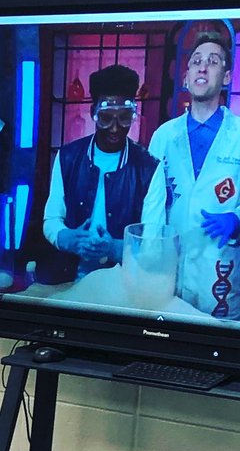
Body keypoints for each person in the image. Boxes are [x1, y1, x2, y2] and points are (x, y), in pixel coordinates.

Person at [141, 31, 240, 318]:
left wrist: (236, 221)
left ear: (225, 77)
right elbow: (153, 207)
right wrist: (149, 254)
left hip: (222, 275)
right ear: (186, 77)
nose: (202, 66)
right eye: (196, 61)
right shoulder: (164, 136)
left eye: (213, 61)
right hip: (169, 277)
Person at [37, 63, 157, 284]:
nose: (114, 127)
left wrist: (113, 248)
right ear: (93, 113)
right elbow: (52, 219)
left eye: (124, 117)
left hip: (122, 285)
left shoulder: (149, 168)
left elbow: (153, 243)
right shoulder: (68, 157)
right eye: (106, 117)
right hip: (68, 280)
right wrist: (67, 239)